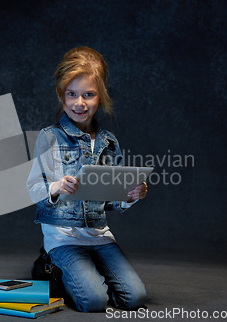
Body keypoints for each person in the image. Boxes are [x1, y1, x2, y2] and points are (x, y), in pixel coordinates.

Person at [26, 46, 148, 312]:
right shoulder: (50, 138)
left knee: (135, 298)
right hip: (64, 236)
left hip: (98, 234)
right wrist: (56, 187)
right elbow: (33, 189)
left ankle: (85, 270)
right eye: (72, 94)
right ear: (62, 96)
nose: (79, 103)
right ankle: (50, 265)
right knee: (93, 301)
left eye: (88, 95)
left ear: (100, 98)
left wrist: (130, 196)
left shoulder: (109, 143)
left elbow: (111, 200)